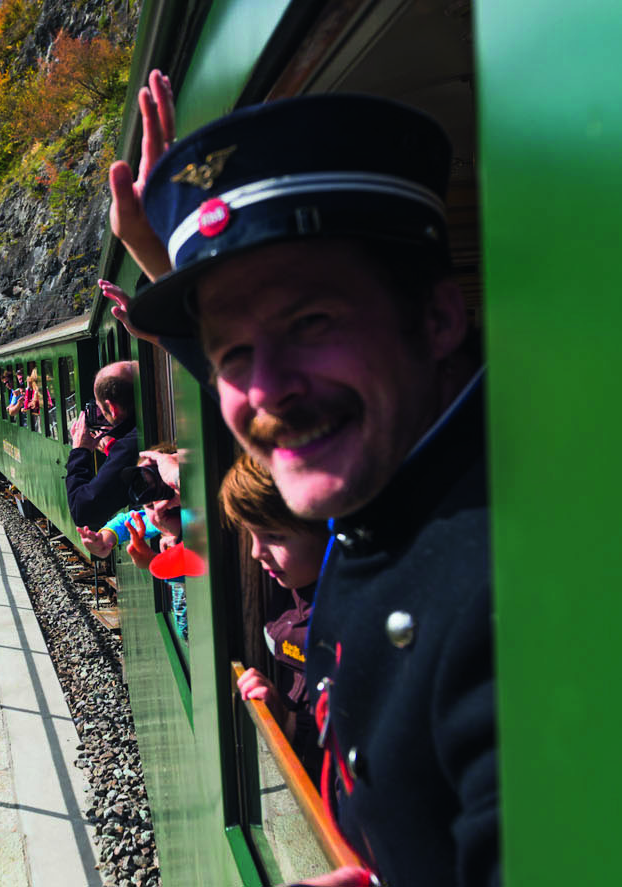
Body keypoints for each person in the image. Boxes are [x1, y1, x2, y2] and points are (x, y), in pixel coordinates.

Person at [109, 84, 496, 887]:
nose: (266, 390)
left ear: (436, 320)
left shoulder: (516, 596)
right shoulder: (407, 467)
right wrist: (164, 255)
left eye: (311, 322)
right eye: (229, 354)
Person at [220, 452, 329, 769]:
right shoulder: (290, 587)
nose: (256, 552)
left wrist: (290, 721)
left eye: (274, 536)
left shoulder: (339, 616)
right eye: (251, 534)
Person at [64, 360, 140, 529]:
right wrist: (111, 447)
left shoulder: (130, 445)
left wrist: (80, 451)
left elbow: (83, 511)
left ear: (112, 408)